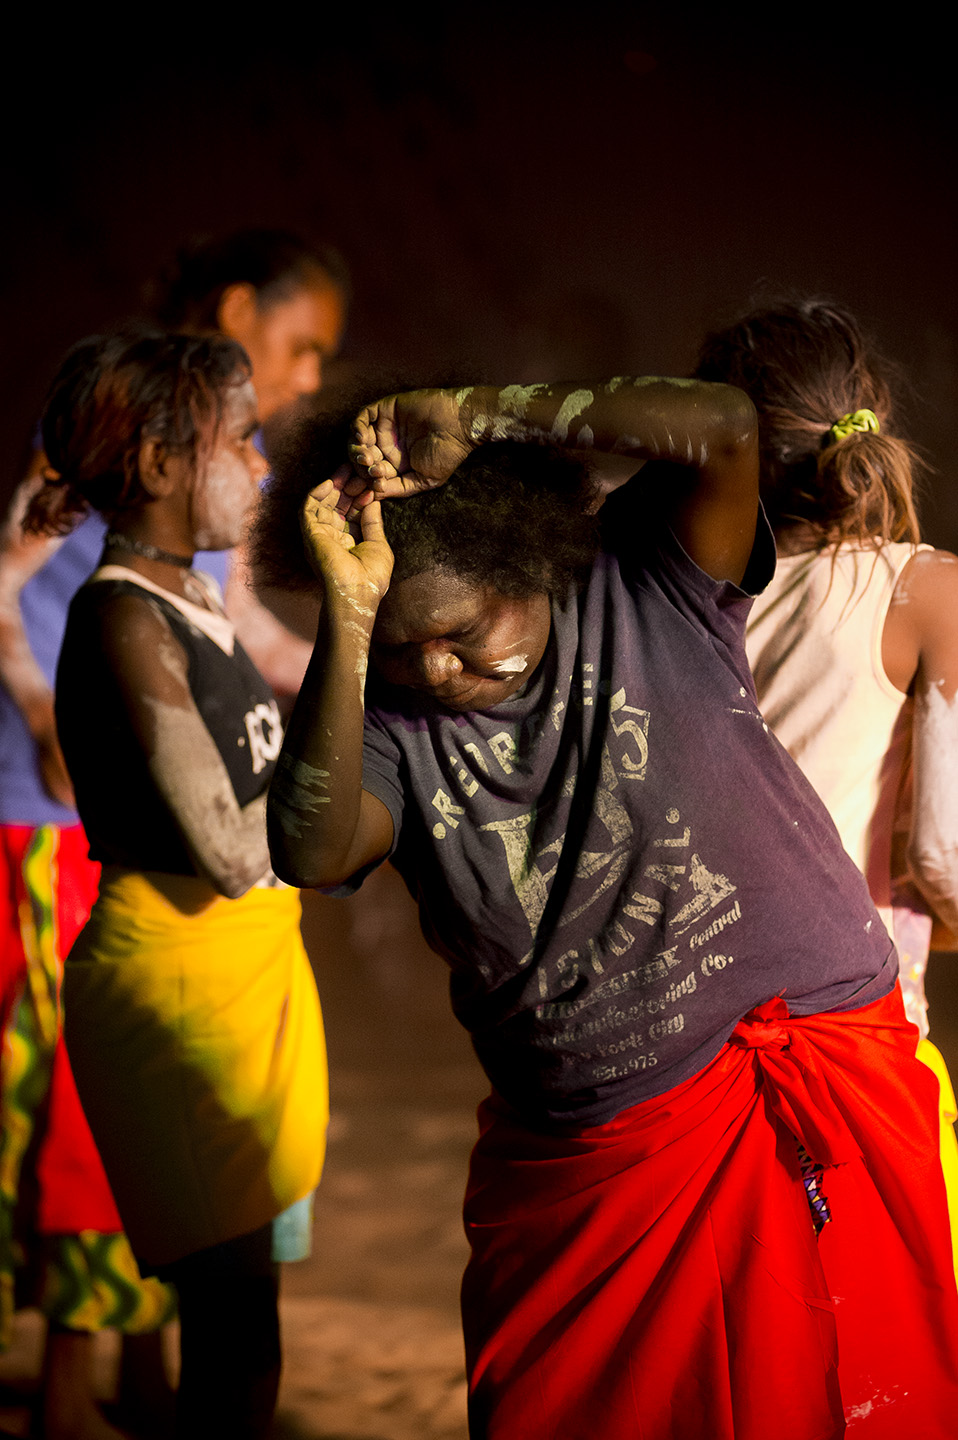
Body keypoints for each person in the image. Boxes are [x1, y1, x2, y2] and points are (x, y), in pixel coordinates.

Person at [255, 378, 958, 1438]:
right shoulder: (385, 724)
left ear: (529, 560)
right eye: (402, 647)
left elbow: (721, 427)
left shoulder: (640, 576)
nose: (437, 669)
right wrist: (349, 626)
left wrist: (478, 412)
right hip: (599, 1169)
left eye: (456, 631)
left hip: (810, 1076)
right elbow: (308, 849)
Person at [0, 228, 344, 1436]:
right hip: (174, 973)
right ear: (156, 458)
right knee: (231, 1332)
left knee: (239, 1328)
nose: (261, 460)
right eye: (240, 441)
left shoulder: (192, 595)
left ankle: (127, 1386)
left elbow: (263, 697)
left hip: (233, 971)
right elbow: (245, 847)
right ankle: (70, 1388)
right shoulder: (126, 621)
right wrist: (353, 638)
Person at [694, 296, 958, 1263]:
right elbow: (944, 853)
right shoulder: (925, 588)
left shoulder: (683, 597)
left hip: (698, 1035)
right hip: (858, 1030)